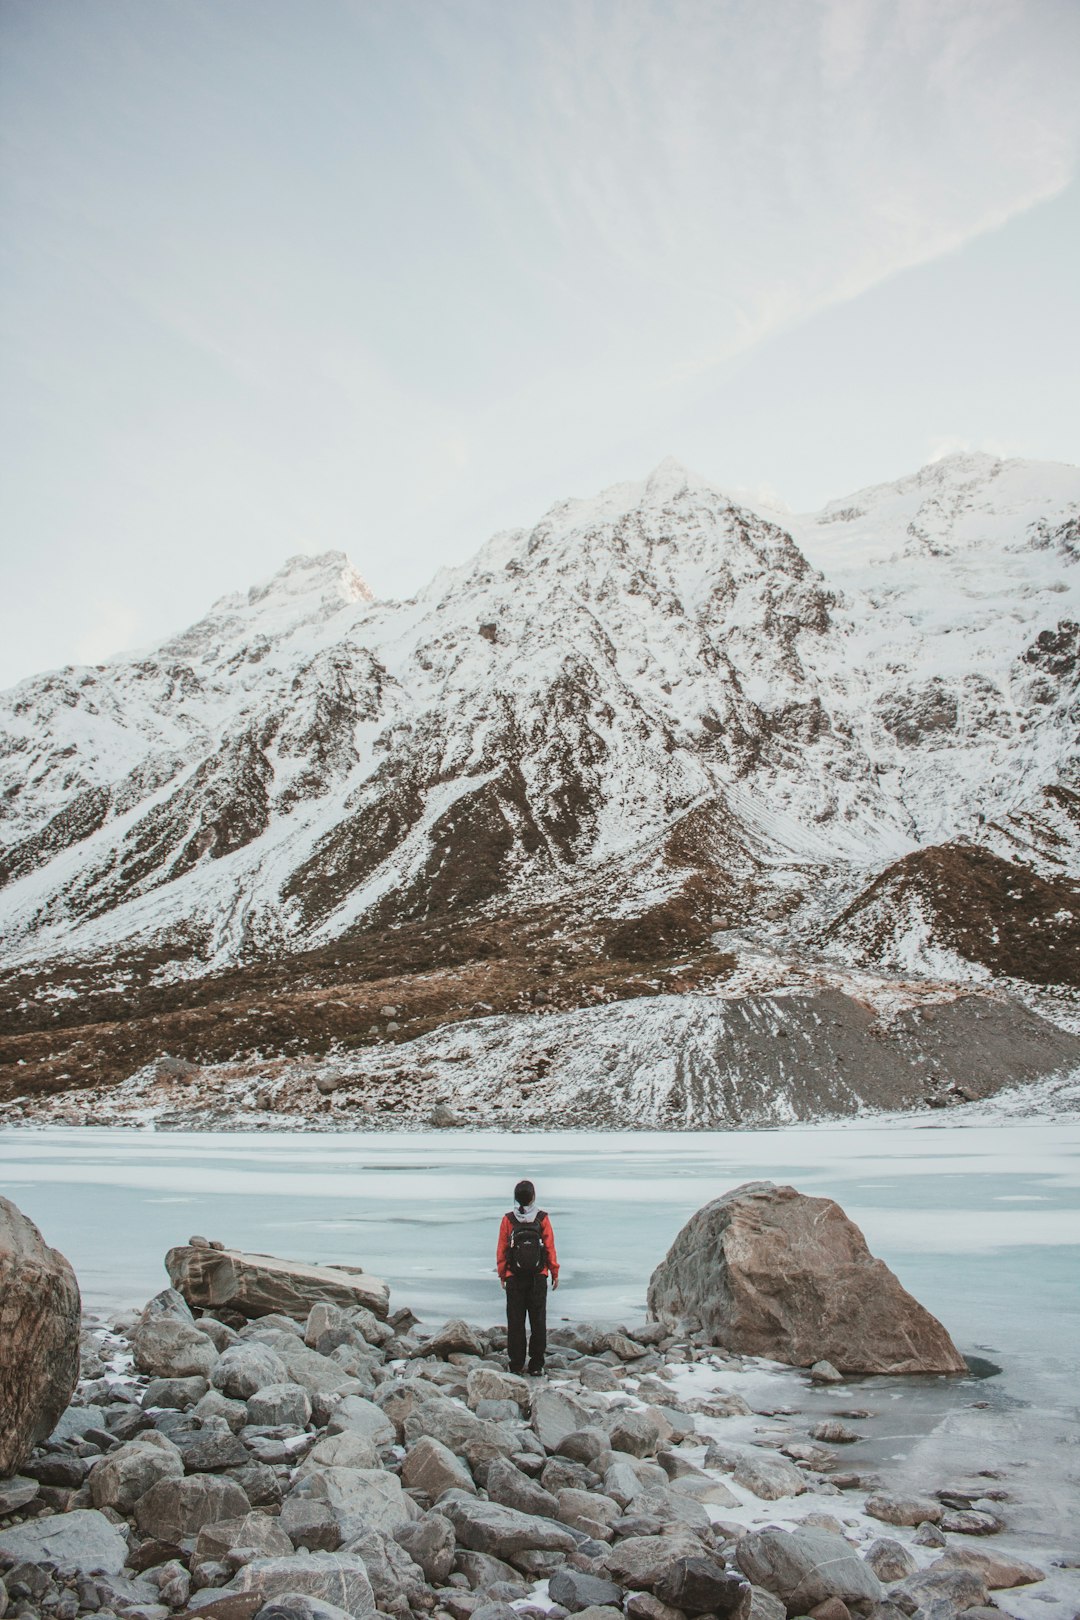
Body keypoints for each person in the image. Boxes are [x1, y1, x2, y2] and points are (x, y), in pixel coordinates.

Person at [496, 1178, 559, 1376]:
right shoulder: (542, 1218)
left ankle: (516, 1364)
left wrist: (503, 1274)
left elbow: (502, 1249)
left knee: (515, 1321)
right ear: (533, 1197)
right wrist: (554, 1272)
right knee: (538, 1320)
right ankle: (536, 1365)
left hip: (514, 1276)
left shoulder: (508, 1219)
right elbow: (549, 1248)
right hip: (538, 1276)